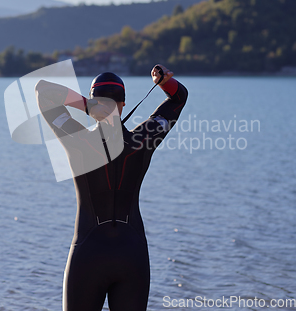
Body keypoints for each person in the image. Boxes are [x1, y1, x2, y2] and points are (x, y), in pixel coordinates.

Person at [35, 64, 188, 311]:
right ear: (124, 104)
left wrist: (87, 106)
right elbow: (180, 98)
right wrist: (163, 82)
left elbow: (42, 91)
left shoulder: (77, 140)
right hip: (133, 254)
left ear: (94, 103)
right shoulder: (144, 140)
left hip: (88, 254)